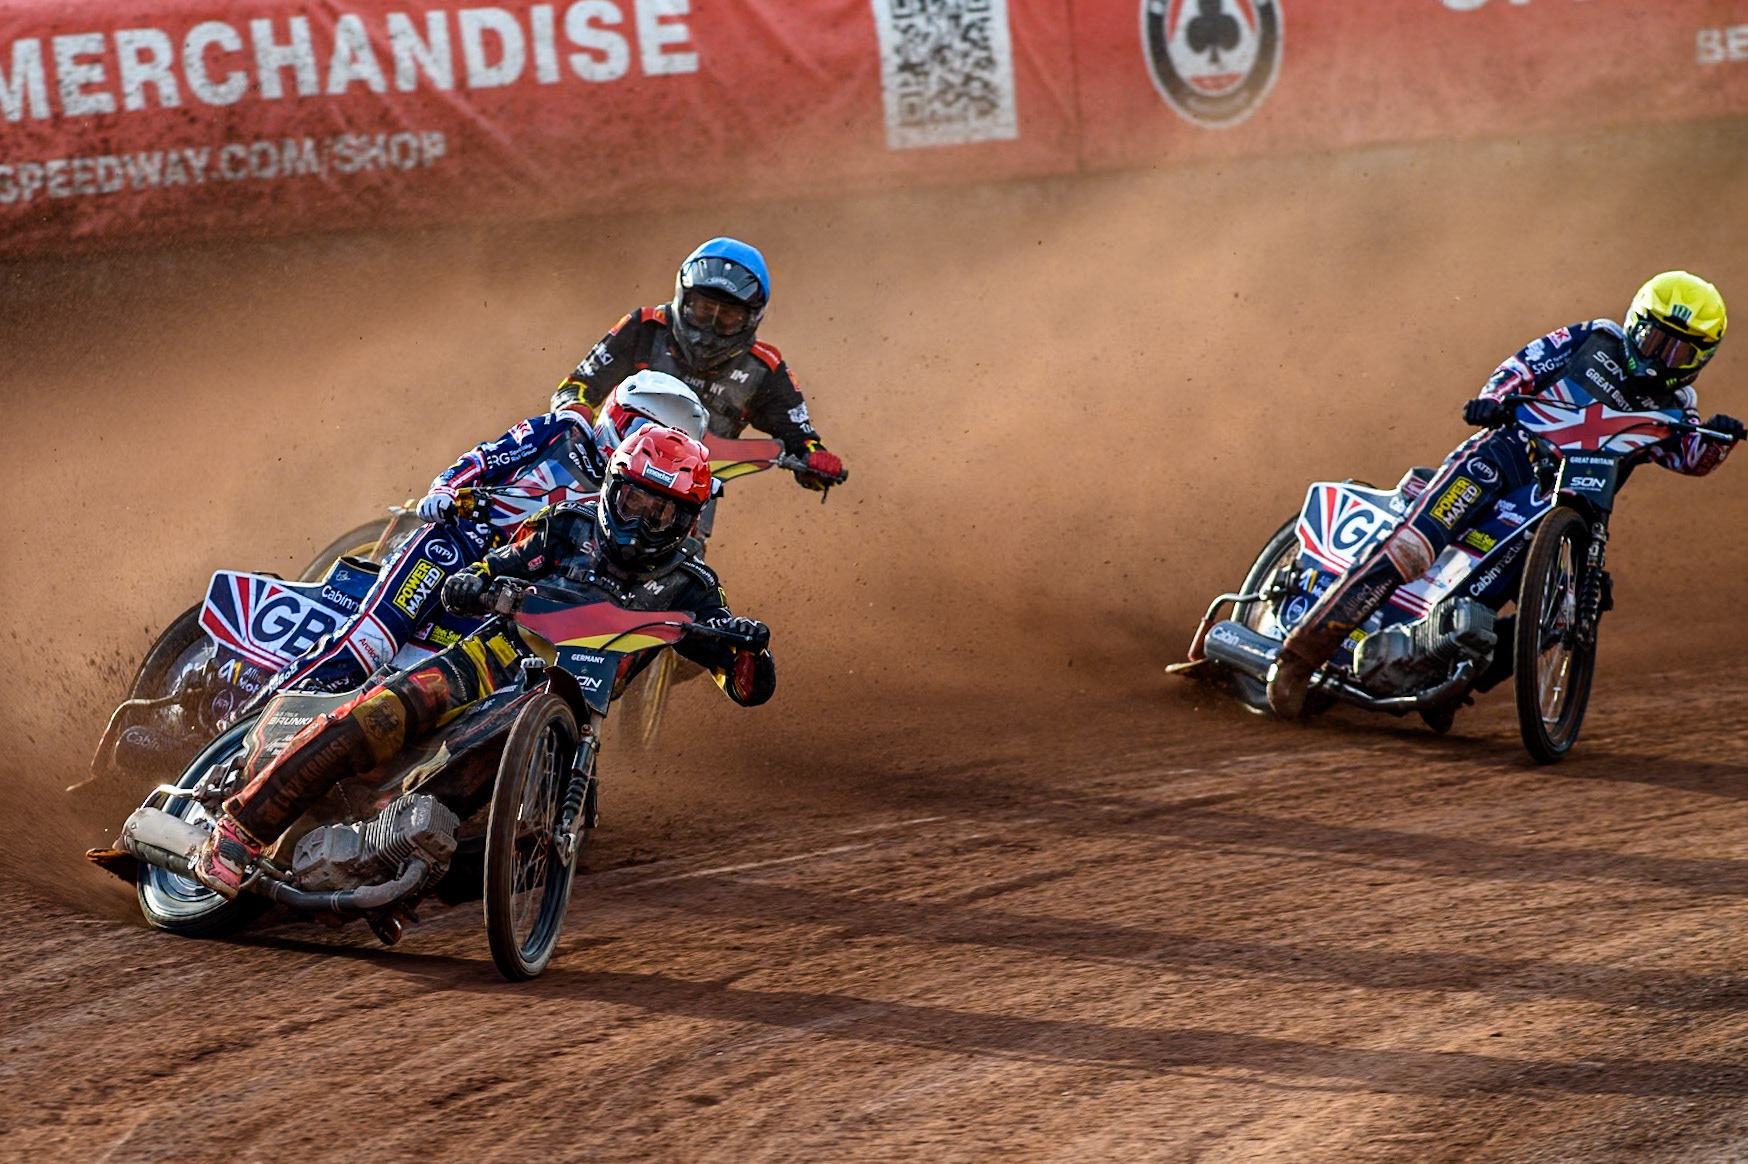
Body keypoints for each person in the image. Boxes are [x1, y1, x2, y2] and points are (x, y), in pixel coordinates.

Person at [194, 425, 775, 897]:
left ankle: (379, 862)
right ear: (612, 488)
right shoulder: (565, 526)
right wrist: (476, 584)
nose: (642, 519)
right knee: (381, 716)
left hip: (566, 711)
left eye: (662, 511)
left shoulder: (694, 587)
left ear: (688, 520)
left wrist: (746, 652)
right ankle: (239, 830)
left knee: (469, 801)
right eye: (634, 499)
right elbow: (490, 568)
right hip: (486, 658)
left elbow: (746, 685)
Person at [1267, 270, 1744, 720]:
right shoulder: (1595, 338)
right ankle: (1300, 657)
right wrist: (1494, 398)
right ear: (1633, 322)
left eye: (1679, 351)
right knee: (1413, 546)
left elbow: (1690, 457)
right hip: (1507, 451)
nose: (1661, 356)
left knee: (1568, 606)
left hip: (1564, 499)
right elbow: (1525, 364)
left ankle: (1447, 680)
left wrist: (1718, 441)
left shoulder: (1678, 409)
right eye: (1653, 339)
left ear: (1701, 358)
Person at [265, 372, 706, 697]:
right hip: (458, 545)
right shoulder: (563, 431)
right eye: (642, 431)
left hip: (507, 592)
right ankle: (266, 711)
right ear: (618, 417)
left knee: (436, 687)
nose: (650, 450)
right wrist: (444, 490)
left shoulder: (627, 504)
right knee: (370, 641)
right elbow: (486, 457)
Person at [551, 237, 847, 492]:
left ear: (752, 318)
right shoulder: (644, 326)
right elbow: (576, 387)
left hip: (687, 490)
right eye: (704, 309)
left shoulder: (765, 368)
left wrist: (815, 461)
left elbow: (803, 440)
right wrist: (574, 411)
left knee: (690, 554)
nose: (710, 327)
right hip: (601, 467)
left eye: (728, 316)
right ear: (683, 299)